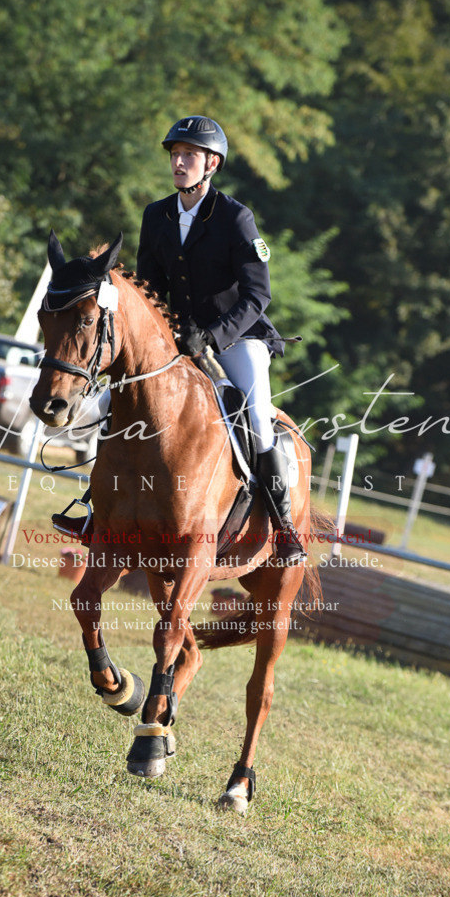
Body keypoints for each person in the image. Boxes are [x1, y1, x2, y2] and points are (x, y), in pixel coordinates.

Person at [136, 115, 306, 564]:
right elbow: (149, 290)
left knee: (257, 417)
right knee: (121, 401)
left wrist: (211, 336)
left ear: (211, 163)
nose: (179, 162)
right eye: (175, 154)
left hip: (238, 339)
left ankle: (284, 526)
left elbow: (258, 295)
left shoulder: (235, 218)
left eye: (189, 155)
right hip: (177, 341)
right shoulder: (156, 216)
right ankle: (98, 510)